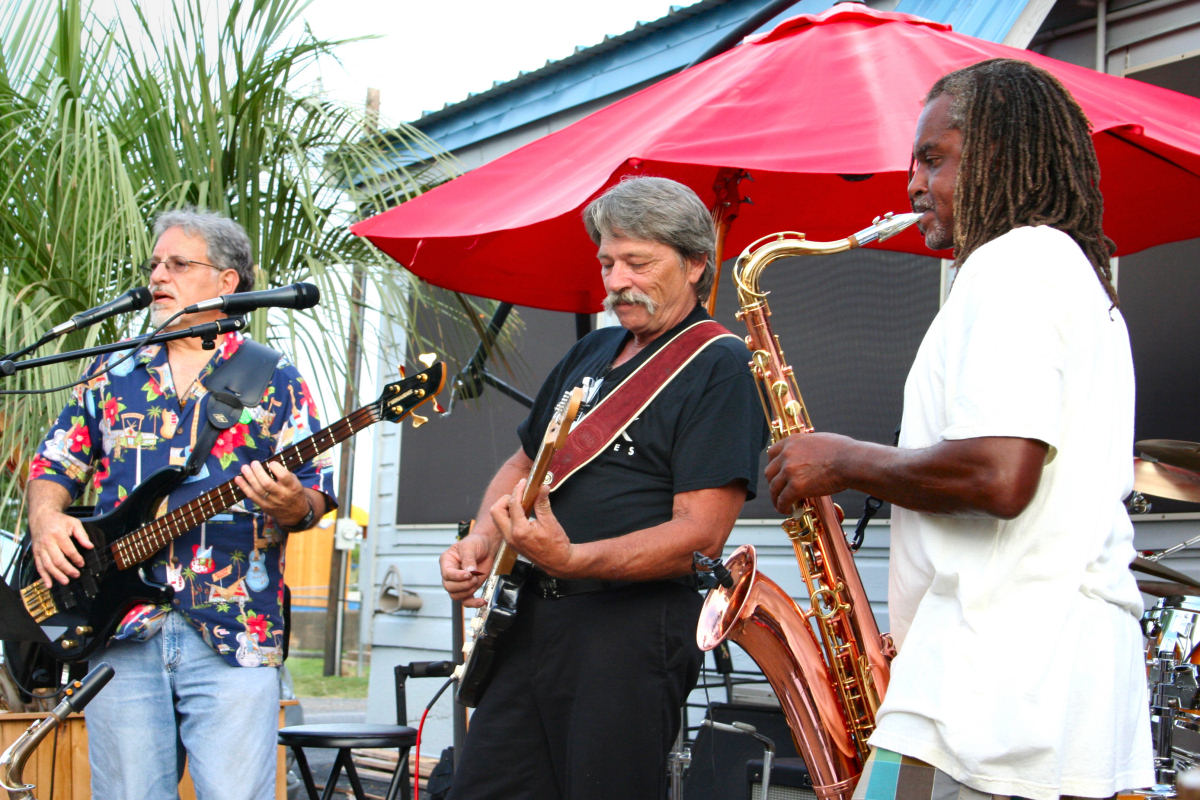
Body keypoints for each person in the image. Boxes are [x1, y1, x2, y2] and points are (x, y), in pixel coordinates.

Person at [765, 58, 1152, 800]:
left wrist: (842, 459)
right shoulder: (1071, 275)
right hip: (1036, 691)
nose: (913, 184)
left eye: (935, 158)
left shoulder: (1015, 265)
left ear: (1000, 156)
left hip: (991, 698)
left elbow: (998, 474)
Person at [439, 176, 767, 799]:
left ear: (697, 263)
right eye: (608, 262)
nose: (616, 281)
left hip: (629, 637)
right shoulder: (592, 350)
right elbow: (522, 463)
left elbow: (698, 535)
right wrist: (483, 540)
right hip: (528, 618)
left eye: (638, 262)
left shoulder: (720, 365)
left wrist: (575, 559)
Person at [26, 208, 336, 800]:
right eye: (154, 265)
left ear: (227, 282)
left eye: (178, 264)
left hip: (234, 628)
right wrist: (46, 518)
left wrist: (294, 502)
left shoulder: (274, 377)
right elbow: (52, 465)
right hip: (120, 626)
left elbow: (315, 492)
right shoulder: (113, 369)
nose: (158, 277)